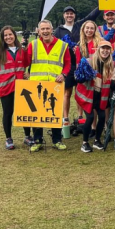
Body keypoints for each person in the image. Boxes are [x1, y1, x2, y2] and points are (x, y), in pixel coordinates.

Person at [22, 20, 70, 152]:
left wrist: (64, 75)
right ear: (38, 31)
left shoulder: (62, 45)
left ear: (52, 29)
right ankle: (37, 140)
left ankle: (57, 140)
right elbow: (26, 61)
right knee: (37, 114)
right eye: (42, 29)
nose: (45, 31)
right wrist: (24, 49)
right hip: (37, 85)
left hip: (55, 85)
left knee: (55, 113)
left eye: (47, 28)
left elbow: (67, 64)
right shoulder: (33, 45)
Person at [54, 5, 100, 133]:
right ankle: (66, 118)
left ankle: (80, 117)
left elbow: (92, 16)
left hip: (82, 64)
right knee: (67, 93)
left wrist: (102, 4)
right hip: (67, 66)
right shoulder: (58, 30)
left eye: (72, 14)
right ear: (64, 15)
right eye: (67, 13)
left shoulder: (80, 24)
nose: (69, 15)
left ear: (75, 15)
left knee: (80, 92)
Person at [77, 41, 113, 153]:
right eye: (103, 48)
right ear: (98, 49)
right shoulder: (88, 61)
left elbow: (112, 78)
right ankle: (85, 143)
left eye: (108, 48)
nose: (105, 50)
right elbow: (77, 77)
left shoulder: (111, 64)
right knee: (90, 117)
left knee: (102, 117)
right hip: (87, 95)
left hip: (100, 96)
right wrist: (84, 75)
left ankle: (97, 140)